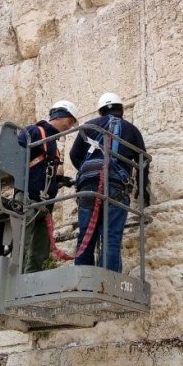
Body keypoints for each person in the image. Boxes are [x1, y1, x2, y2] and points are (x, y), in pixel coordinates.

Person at [69, 92, 150, 273]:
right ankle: (109, 280)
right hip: (115, 186)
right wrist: (142, 190)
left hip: (88, 186)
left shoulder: (89, 126)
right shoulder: (131, 129)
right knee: (111, 237)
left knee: (86, 236)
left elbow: (74, 155)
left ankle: (83, 280)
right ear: (121, 109)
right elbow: (143, 161)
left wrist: (87, 171)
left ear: (101, 112)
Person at [17, 100, 79, 273]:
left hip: (44, 205)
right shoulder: (34, 131)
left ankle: (30, 280)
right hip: (28, 200)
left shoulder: (53, 145)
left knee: (41, 250)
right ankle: (14, 280)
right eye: (70, 121)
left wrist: (58, 181)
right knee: (22, 244)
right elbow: (16, 156)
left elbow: (42, 170)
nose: (70, 126)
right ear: (60, 116)